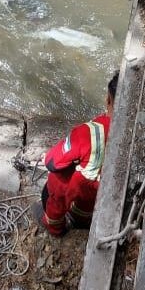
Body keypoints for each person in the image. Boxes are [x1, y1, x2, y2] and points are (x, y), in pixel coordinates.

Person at [36, 72, 119, 236]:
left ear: (108, 99)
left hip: (82, 201)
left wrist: (47, 157)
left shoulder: (90, 133)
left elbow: (54, 162)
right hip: (103, 202)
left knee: (55, 183)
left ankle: (54, 227)